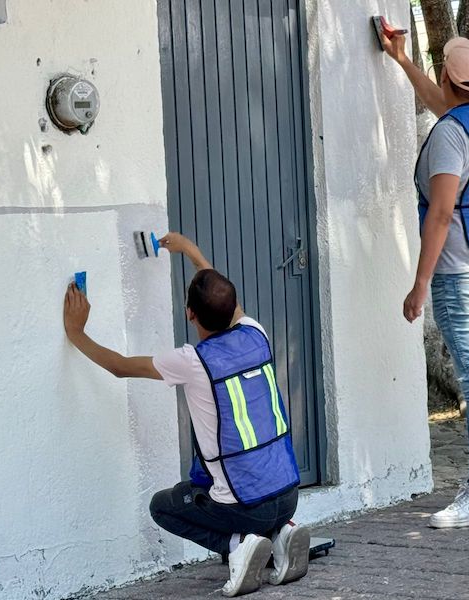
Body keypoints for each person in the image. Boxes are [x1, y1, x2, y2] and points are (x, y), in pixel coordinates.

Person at [63, 232, 310, 597]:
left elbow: (119, 366)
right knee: (236, 490)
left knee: (163, 506)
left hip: (245, 508)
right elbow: (220, 295)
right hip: (289, 494)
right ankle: (280, 535)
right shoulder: (256, 333)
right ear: (234, 307)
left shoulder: (192, 362)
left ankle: (238, 545)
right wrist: (193, 251)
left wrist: (76, 332)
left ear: (189, 313)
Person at [381, 32, 469, 528]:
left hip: (460, 274)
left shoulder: (448, 135)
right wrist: (402, 61)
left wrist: (419, 284)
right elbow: (446, 106)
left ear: (447, 75)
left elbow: (439, 215)